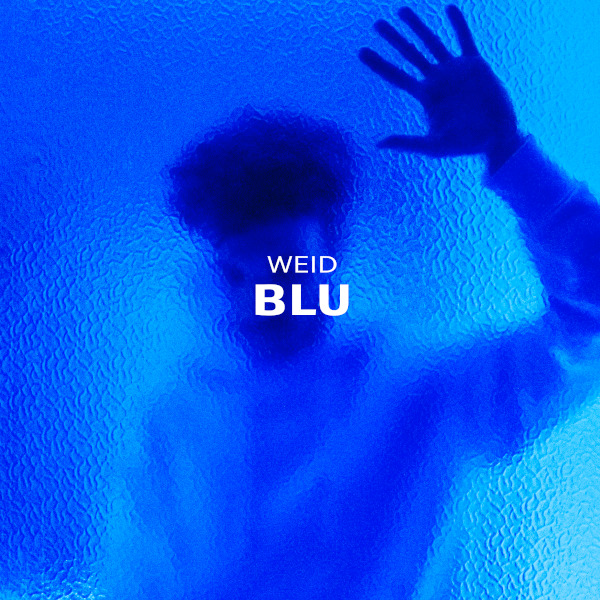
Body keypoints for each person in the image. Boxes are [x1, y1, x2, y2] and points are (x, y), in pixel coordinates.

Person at [107, 6, 600, 599]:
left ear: (333, 253)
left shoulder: (420, 387)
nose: (263, 301)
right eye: (237, 273)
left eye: (287, 268)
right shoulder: (173, 415)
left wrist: (512, 157)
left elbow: (591, 318)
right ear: (211, 268)